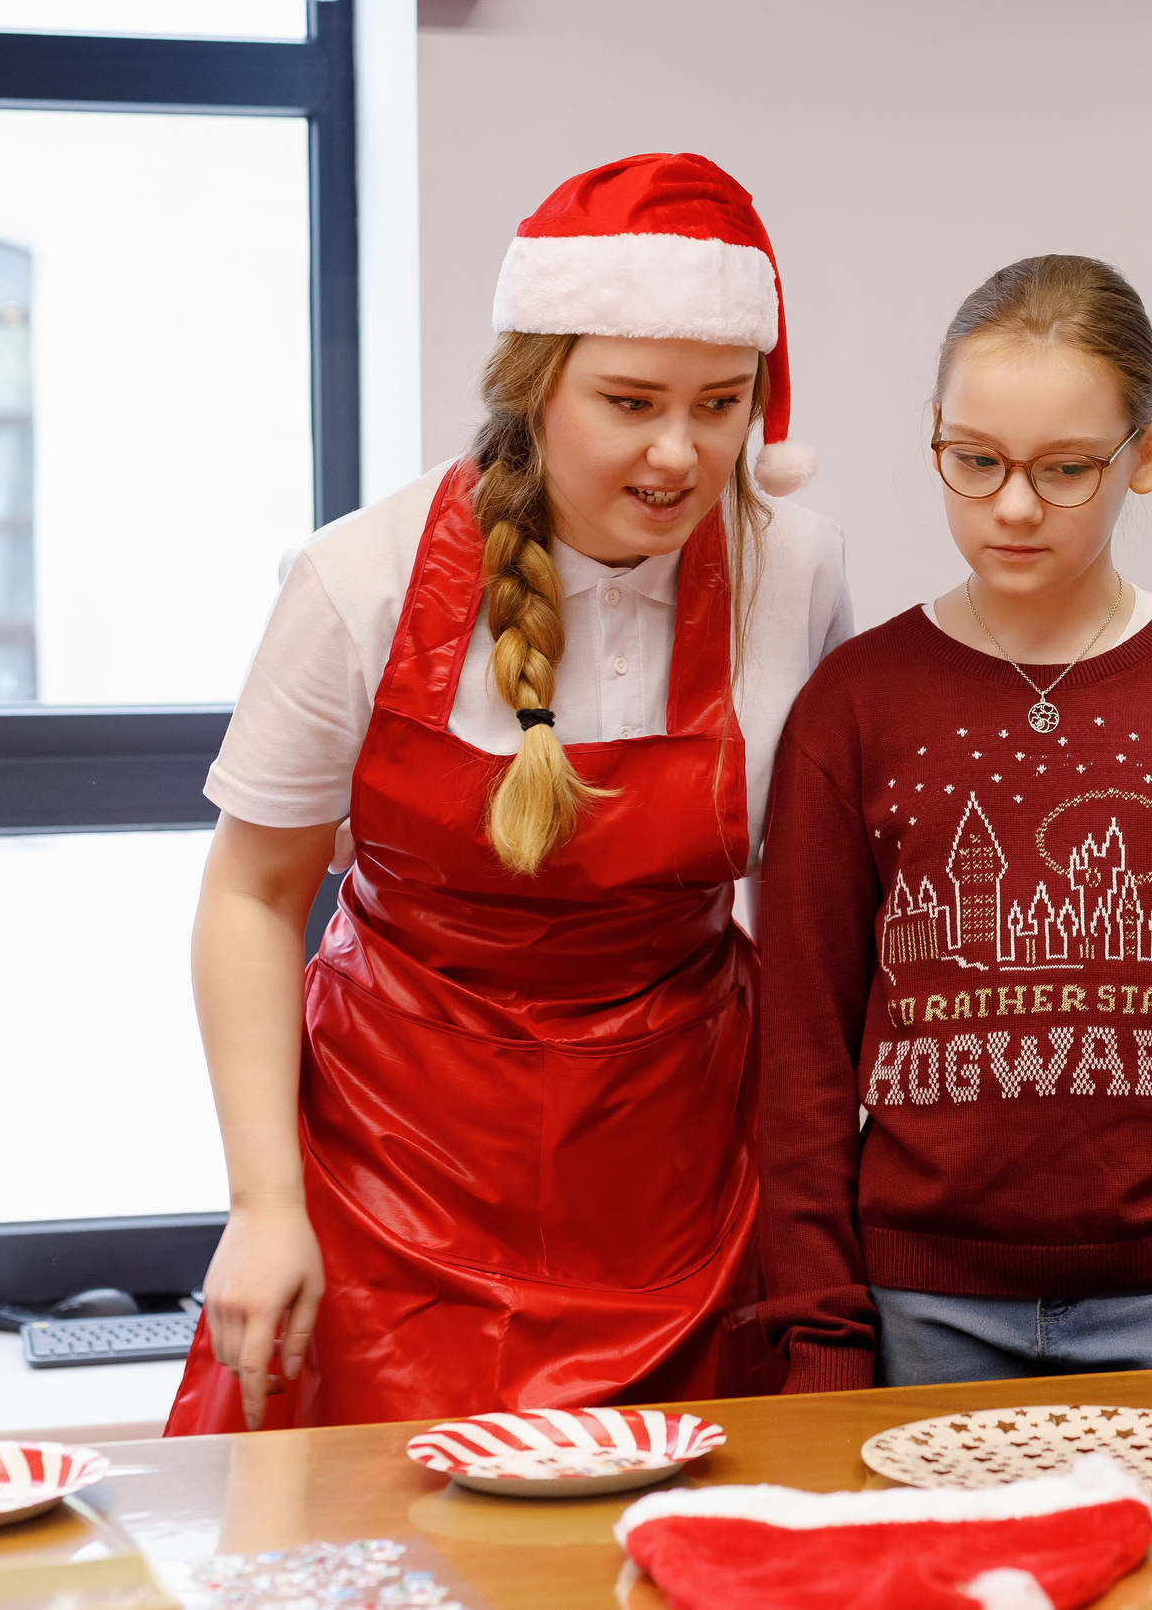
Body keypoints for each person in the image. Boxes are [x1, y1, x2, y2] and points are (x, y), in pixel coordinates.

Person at [165, 154, 851, 1432]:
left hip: (683, 1175)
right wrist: (263, 1207)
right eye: (629, 400)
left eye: (720, 404)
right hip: (386, 1169)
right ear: (535, 389)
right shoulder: (354, 580)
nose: (678, 452)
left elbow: (808, 906)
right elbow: (252, 896)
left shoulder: (794, 568)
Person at [754, 254, 1152, 1391]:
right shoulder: (854, 707)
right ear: (933, 436)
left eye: (1065, 468)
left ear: (1147, 457)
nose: (1013, 506)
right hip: (919, 1310)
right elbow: (798, 1063)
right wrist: (820, 1331)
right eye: (973, 461)